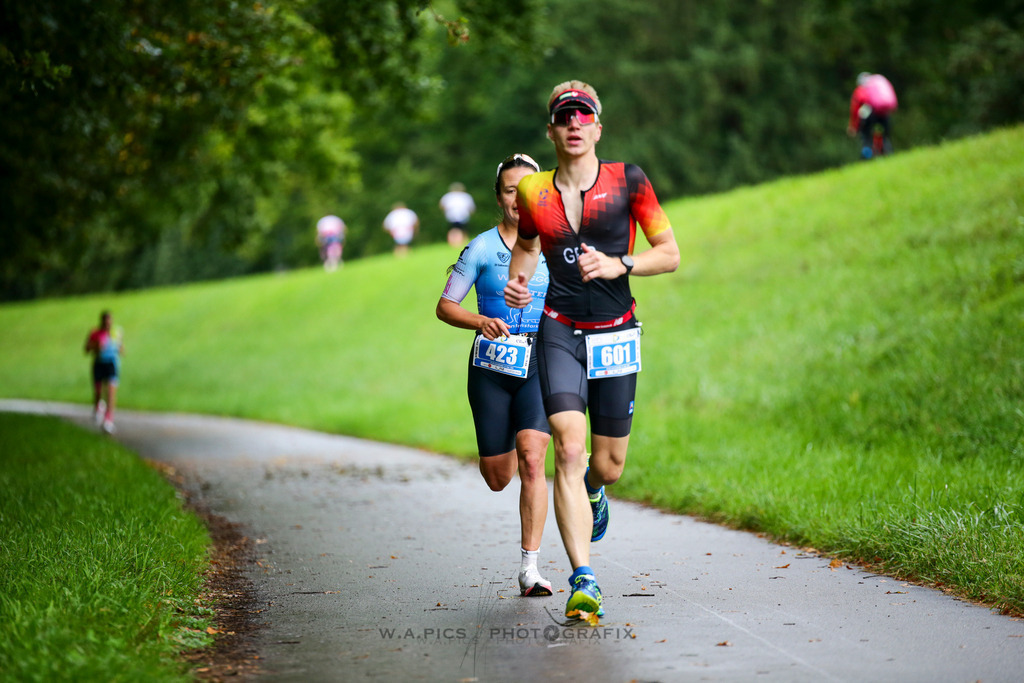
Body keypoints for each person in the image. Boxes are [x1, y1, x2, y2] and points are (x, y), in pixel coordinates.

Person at [503, 81, 679, 619]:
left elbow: (669, 253)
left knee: (608, 465)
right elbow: (529, 247)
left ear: (598, 127)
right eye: (564, 117)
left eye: (584, 116)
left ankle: (596, 494)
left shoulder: (629, 180)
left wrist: (619, 264)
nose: (574, 124)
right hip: (558, 328)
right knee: (567, 447)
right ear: (552, 131)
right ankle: (584, 577)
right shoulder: (534, 191)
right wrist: (518, 279)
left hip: (616, 332)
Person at [436, 153, 554, 596]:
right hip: (491, 363)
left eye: (527, 190)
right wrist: (479, 321)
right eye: (510, 191)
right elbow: (445, 305)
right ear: (500, 197)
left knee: (533, 457)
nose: (518, 199)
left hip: (541, 358)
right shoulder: (482, 248)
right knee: (498, 476)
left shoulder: (555, 244)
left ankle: (531, 568)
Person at [84, 310, 124, 434]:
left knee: (111, 392)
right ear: (102, 321)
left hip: (112, 364)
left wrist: (119, 348)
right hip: (99, 364)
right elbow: (87, 349)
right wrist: (97, 346)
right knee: (99, 391)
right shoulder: (95, 333)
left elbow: (122, 349)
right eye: (105, 321)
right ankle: (98, 407)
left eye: (109, 320)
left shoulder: (115, 333)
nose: (108, 323)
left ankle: (108, 420)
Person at [848, 72, 898, 159]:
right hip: (883, 113)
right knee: (885, 136)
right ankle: (887, 152)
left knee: (866, 138)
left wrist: (854, 127)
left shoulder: (860, 90)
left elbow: (855, 110)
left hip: (869, 115)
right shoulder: (878, 85)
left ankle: (867, 157)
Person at [439, 182, 476, 248]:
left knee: (453, 229)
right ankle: (463, 242)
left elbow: (442, 206)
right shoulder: (466, 196)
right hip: (463, 215)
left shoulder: (447, 196)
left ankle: (452, 242)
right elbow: (471, 207)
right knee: (463, 229)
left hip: (451, 215)